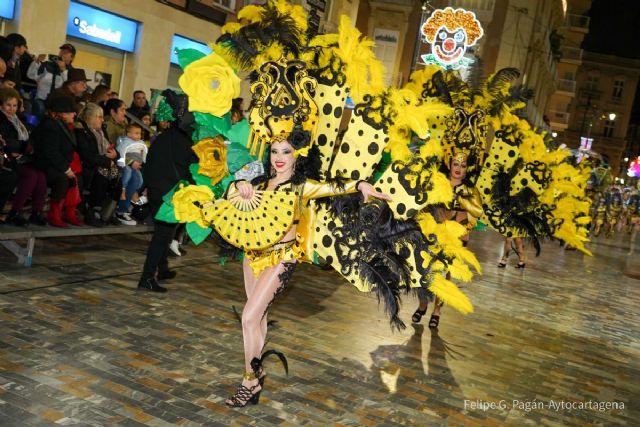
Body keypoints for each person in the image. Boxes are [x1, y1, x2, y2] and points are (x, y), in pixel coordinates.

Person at [219, 138, 390, 407]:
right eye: (275, 151)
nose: (279, 157)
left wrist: (359, 185)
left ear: (296, 155)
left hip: (282, 258)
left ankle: (249, 380)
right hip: (252, 257)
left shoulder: (301, 186)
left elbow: (333, 187)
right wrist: (239, 186)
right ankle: (258, 370)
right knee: (258, 316)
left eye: (286, 152)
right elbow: (228, 193)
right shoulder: (261, 183)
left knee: (249, 317)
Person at [411, 152, 482, 329]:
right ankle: (422, 304)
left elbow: (478, 213)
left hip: (456, 237)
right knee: (425, 270)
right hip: (434, 232)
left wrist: (462, 203)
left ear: (467, 169)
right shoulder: (438, 182)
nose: (458, 169)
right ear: (449, 165)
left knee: (445, 274)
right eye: (456, 165)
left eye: (463, 166)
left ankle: (437, 311)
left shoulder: (470, 190)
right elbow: (423, 203)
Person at [137, 90, 196, 292]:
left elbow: (150, 164)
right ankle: (146, 278)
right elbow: (192, 169)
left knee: (163, 232)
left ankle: (162, 269)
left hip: (156, 191)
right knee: (162, 236)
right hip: (170, 194)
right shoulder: (188, 142)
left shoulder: (161, 138)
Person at [32, 97, 83, 227]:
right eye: (72, 112)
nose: (74, 114)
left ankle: (67, 212)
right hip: (44, 164)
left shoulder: (62, 125)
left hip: (55, 163)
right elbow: (51, 152)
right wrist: (66, 169)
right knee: (63, 179)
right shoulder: (50, 125)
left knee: (77, 178)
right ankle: (53, 214)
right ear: (62, 113)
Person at [0, 87, 47, 226]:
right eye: (8, 105)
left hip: (22, 158)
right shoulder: (2, 120)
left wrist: (25, 147)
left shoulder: (20, 119)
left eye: (15, 105)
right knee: (31, 175)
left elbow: (30, 140)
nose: (12, 109)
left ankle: (36, 212)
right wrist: (24, 147)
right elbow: (8, 143)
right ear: (1, 104)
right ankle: (14, 212)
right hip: (8, 159)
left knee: (41, 176)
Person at [75, 102, 120, 226]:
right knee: (103, 175)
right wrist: (107, 161)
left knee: (119, 175)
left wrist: (115, 155)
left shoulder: (102, 132)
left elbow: (113, 150)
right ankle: (92, 210)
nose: (102, 120)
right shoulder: (81, 132)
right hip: (88, 166)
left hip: (102, 163)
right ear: (89, 118)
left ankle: (108, 212)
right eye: (99, 116)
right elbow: (86, 155)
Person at [27, 43, 75, 119]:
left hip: (58, 104)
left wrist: (63, 70)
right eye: (61, 51)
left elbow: (69, 86)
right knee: (40, 108)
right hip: (41, 100)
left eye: (66, 53)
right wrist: (37, 62)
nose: (62, 53)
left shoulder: (72, 72)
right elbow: (31, 75)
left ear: (72, 57)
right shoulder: (47, 65)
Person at [115, 123, 147, 225]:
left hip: (136, 165)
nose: (139, 136)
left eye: (140, 133)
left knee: (140, 180)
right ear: (128, 134)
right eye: (136, 133)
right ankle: (122, 205)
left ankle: (131, 196)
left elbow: (144, 154)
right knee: (128, 175)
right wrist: (129, 162)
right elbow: (120, 153)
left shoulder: (140, 143)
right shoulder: (124, 142)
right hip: (125, 165)